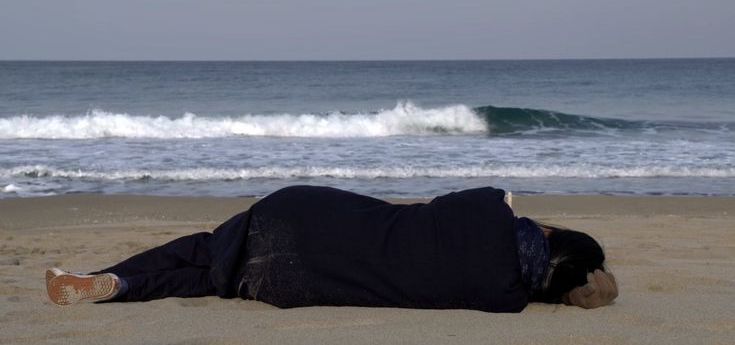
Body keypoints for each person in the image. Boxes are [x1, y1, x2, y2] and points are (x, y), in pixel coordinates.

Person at [46, 186, 617, 312]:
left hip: (295, 220)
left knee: (203, 247)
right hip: (291, 285)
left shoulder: (491, 207)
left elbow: (484, 203)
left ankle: (110, 280)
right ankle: (121, 288)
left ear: (550, 235)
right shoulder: (506, 297)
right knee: (211, 277)